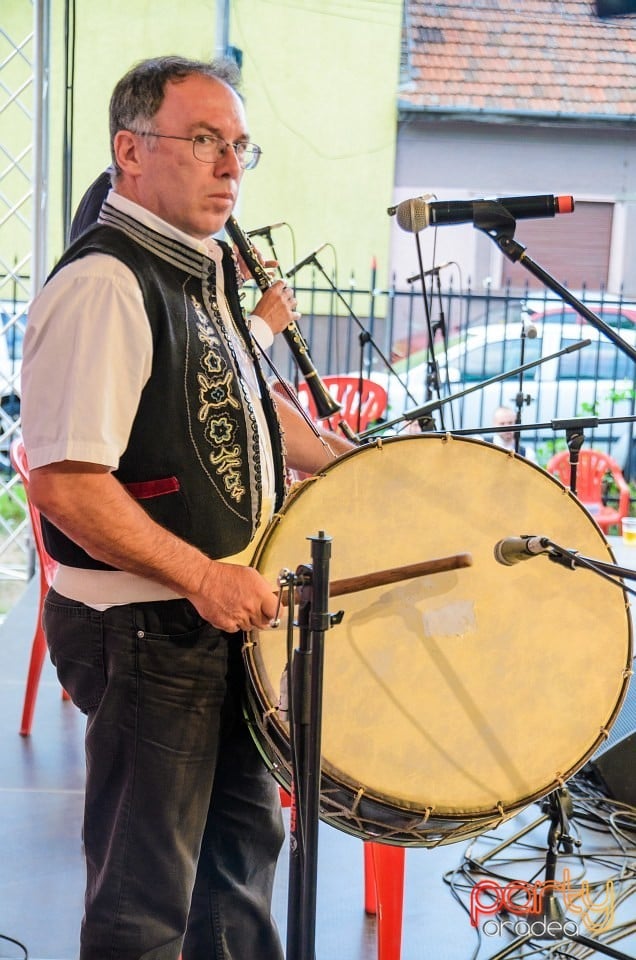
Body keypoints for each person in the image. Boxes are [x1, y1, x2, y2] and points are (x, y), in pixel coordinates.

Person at [21, 55, 353, 960]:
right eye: (203, 140)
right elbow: (64, 482)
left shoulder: (194, 270)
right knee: (146, 898)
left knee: (239, 870)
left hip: (213, 623)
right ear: (130, 151)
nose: (230, 165)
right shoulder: (105, 284)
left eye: (240, 146)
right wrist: (203, 574)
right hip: (148, 630)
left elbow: (241, 395)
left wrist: (333, 457)